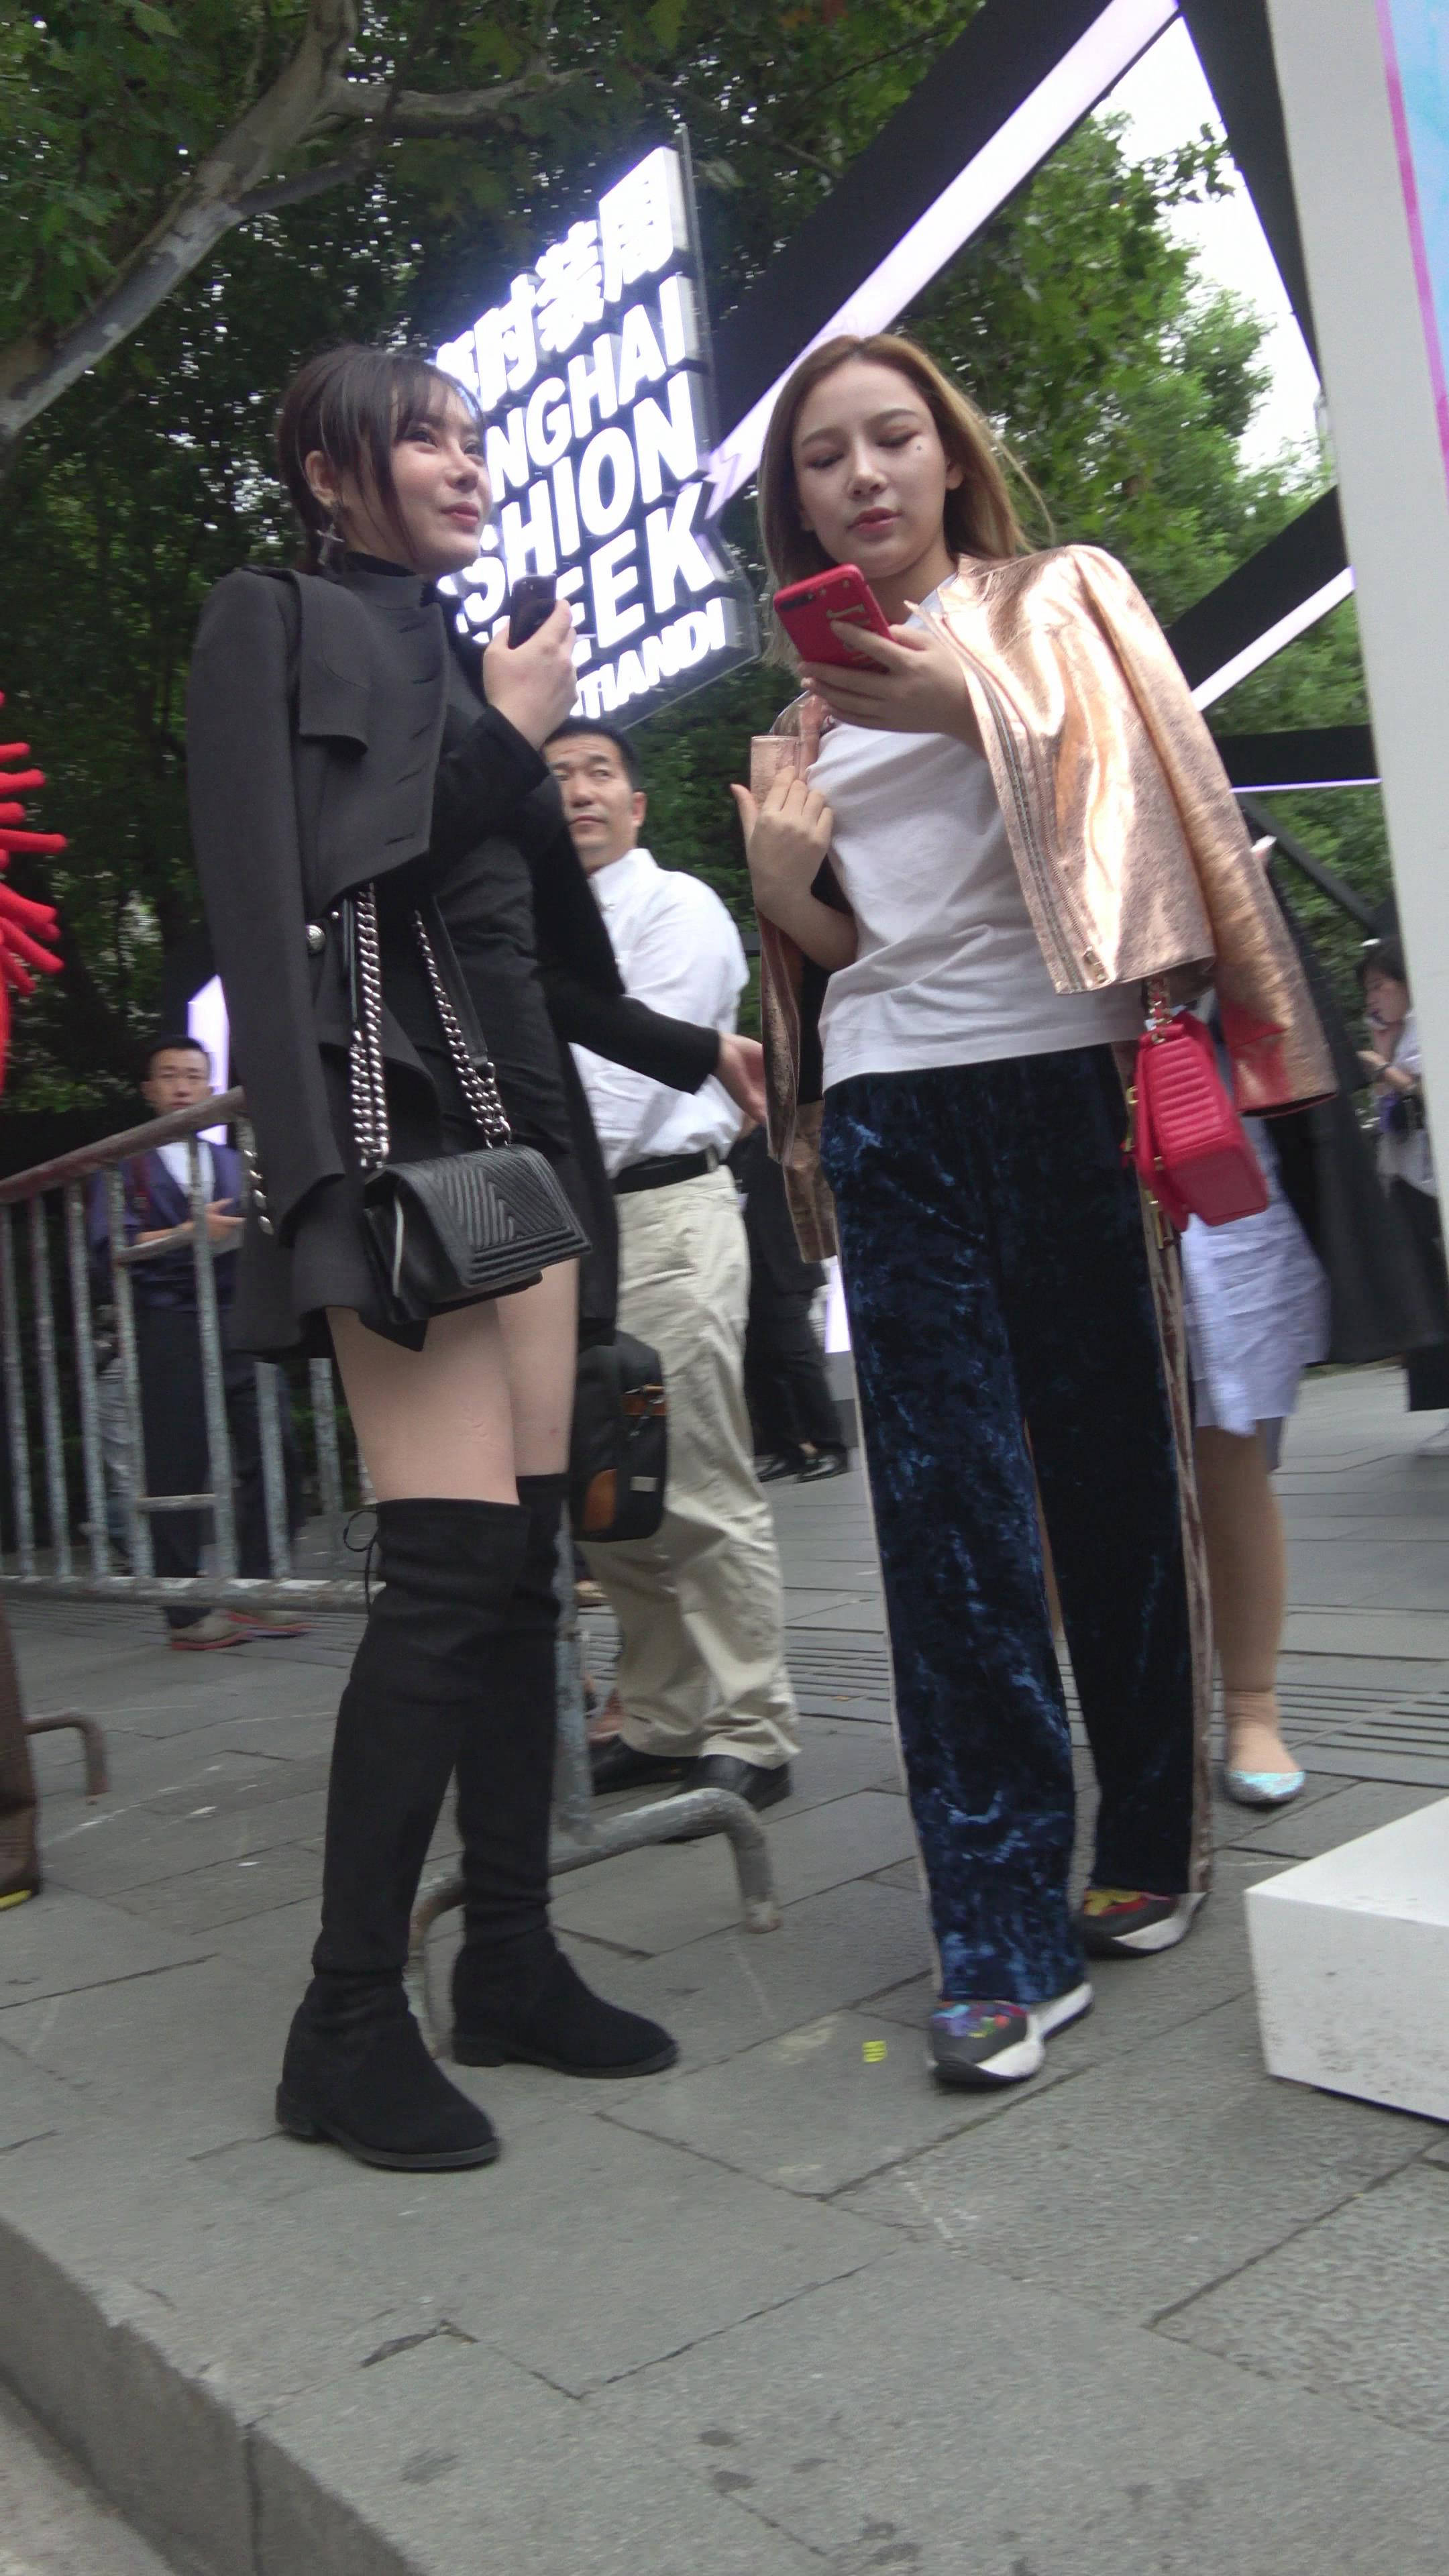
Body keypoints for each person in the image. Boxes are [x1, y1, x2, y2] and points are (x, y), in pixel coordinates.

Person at [186, 343, 765, 2176]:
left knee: (524, 1578)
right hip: (402, 1143)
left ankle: (508, 1957)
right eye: (422, 436)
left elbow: (542, 950)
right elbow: (293, 891)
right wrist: (311, 1189)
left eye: (472, 436)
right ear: (326, 467)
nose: (465, 462)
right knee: (444, 1574)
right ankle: (343, 2019)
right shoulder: (274, 619)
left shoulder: (469, 661)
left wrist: (704, 1053)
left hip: (535, 1158)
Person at [733, 331, 1332, 2089]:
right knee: (948, 1519)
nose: (863, 474)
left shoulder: (1061, 596)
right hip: (892, 1107)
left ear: (949, 453)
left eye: (892, 437)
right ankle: (995, 1923)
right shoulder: (801, 719)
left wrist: (975, 706)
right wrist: (781, 884)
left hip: (1071, 1085)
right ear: (797, 505)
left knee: (1113, 1474)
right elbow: (852, 946)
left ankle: (1150, 1833)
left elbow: (1151, 799)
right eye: (825, 456)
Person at [545, 720, 799, 1817]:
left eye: (598, 773)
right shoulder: (536, 933)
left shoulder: (676, 907)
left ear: (637, 803)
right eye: (555, 776)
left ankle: (753, 1727)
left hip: (660, 1216)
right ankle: (662, 1718)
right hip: (573, 1229)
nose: (578, 792)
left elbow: (624, 1088)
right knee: (613, 1491)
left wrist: (532, 1199)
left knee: (695, 1479)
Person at [87, 1034, 307, 1648]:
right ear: (149, 1090)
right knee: (176, 1464)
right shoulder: (125, 1162)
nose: (183, 1086)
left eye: (193, 1075)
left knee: (275, 1449)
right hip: (168, 1322)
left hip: (242, 1315)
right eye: (169, 1075)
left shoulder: (237, 1161)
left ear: (211, 1088)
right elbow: (109, 1248)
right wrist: (189, 1232)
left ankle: (260, 1586)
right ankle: (185, 1611)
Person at [1359, 936, 1449, 1415]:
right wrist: (1383, 1053)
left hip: (1429, 1179)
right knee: (1422, 1294)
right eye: (1368, 990)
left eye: (1380, 985)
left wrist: (1382, 1067)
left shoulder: (1428, 1026)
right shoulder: (1394, 1037)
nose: (1373, 998)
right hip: (1405, 1179)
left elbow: (1426, 1093)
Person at [732, 1121, 848, 1483]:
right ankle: (787, 1448)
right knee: (759, 1362)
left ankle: (830, 1446)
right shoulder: (730, 1148)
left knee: (798, 1357)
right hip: (746, 1264)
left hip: (786, 1262)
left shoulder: (777, 1136)